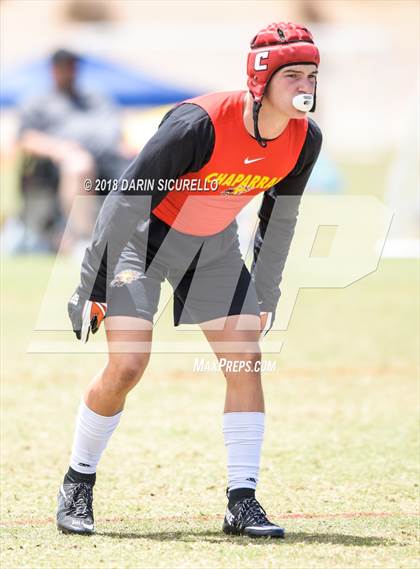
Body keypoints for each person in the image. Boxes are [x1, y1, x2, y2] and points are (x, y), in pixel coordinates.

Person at [57, 22, 322, 538]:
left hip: (211, 246)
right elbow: (125, 198)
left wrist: (266, 291)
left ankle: (241, 502)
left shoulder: (304, 139)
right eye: (293, 75)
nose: (306, 87)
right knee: (128, 366)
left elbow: (279, 218)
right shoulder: (196, 124)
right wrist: (93, 283)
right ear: (261, 79)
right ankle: (78, 481)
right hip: (142, 241)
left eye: (312, 75)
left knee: (245, 360)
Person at [18, 49, 129, 248]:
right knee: (80, 164)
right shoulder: (39, 101)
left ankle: (144, 243)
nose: (67, 71)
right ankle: (83, 240)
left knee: (145, 165)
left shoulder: (95, 98)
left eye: (71, 66)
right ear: (53, 70)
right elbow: (26, 138)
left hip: (107, 161)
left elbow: (117, 133)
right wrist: (58, 149)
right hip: (58, 167)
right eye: (62, 67)